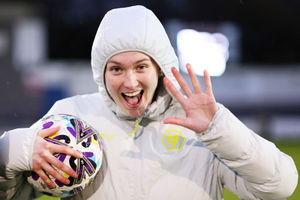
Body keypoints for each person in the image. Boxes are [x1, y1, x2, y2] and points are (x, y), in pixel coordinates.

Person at [0, 5, 298, 200]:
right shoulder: (71, 116)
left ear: (159, 68)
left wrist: (219, 128)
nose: (130, 82)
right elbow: (11, 193)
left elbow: (279, 186)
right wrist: (20, 148)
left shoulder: (205, 128)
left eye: (141, 67)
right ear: (101, 73)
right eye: (116, 69)